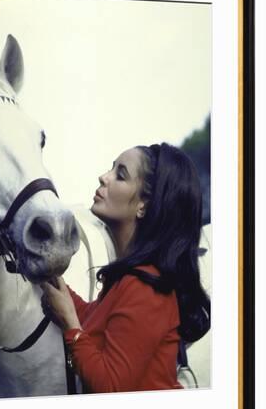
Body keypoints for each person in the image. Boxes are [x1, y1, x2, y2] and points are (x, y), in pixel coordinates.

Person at [40, 143, 210, 394]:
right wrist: (49, 278)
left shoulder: (146, 287)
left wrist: (69, 325)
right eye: (111, 169)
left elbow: (111, 389)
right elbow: (92, 320)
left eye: (120, 175)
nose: (103, 177)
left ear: (144, 205)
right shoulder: (130, 278)